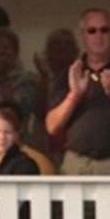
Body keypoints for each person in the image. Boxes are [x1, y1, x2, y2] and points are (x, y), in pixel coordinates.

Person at [45, 7, 110, 175]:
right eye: (92, 31)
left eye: (104, 30)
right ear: (82, 36)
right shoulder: (70, 71)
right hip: (76, 162)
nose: (98, 35)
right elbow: (52, 126)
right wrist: (74, 95)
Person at [31, 27, 81, 164]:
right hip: (43, 140)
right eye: (57, 43)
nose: (62, 48)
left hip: (72, 142)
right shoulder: (38, 78)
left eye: (67, 44)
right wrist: (44, 77)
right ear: (48, 50)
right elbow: (39, 111)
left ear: (75, 51)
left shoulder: (81, 77)